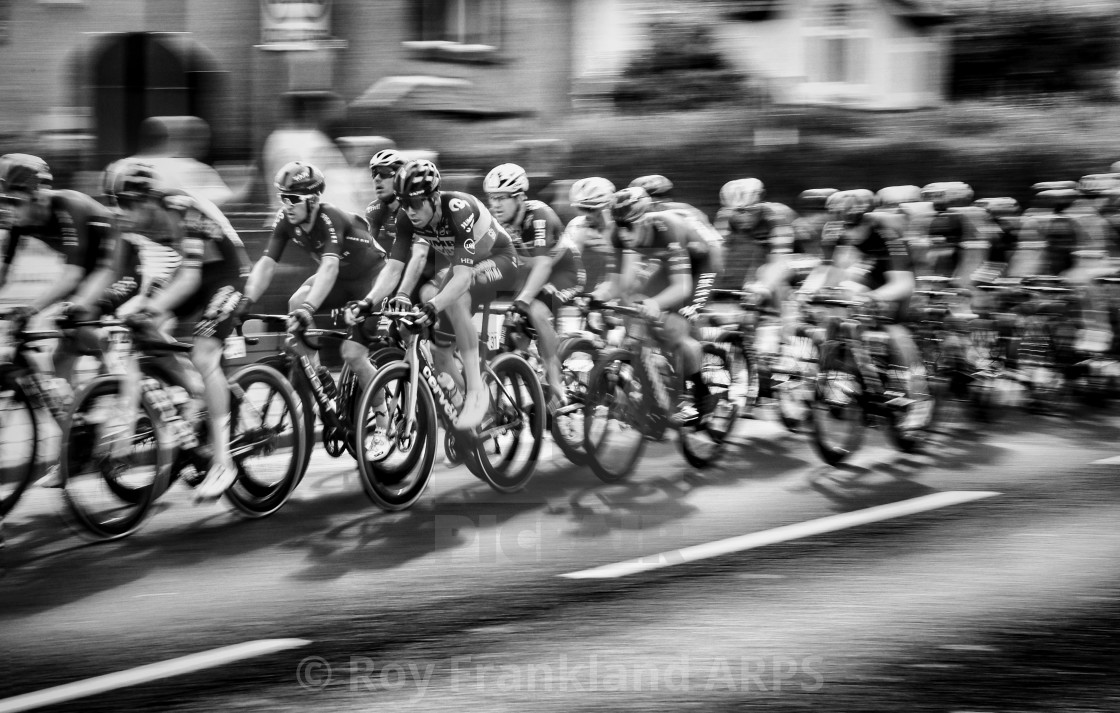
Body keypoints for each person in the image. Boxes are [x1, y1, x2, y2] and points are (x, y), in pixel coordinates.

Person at [105, 159, 252, 501]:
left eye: (128, 204)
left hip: (226, 276)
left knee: (204, 352)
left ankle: (223, 462)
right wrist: (130, 310)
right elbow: (140, 280)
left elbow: (189, 278)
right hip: (189, 276)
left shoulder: (180, 207)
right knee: (141, 333)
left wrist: (148, 307)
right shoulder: (133, 225)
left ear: (149, 199)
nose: (122, 212)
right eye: (117, 204)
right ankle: (196, 394)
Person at [383, 159, 522, 432]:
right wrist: (373, 300)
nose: (409, 210)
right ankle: (471, 421)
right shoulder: (406, 217)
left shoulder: (458, 209)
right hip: (468, 268)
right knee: (439, 351)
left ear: (434, 198)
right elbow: (393, 269)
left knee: (455, 295)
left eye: (415, 202)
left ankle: (476, 391)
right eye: (403, 202)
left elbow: (462, 277)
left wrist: (433, 306)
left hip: (502, 261)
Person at [239, 161, 385, 396]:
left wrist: (309, 309)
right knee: (295, 303)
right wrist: (246, 301)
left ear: (314, 199)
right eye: (283, 198)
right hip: (340, 280)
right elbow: (266, 264)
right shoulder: (285, 220)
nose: (287, 205)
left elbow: (329, 267)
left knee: (354, 355)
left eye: (294, 199)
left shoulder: (330, 218)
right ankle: (318, 376)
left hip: (370, 280)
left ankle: (381, 418)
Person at [593, 186, 715, 425]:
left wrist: (654, 303)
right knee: (637, 310)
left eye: (628, 226)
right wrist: (597, 296)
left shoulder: (666, 229)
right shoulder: (619, 234)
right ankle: (654, 382)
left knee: (673, 329)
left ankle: (701, 393)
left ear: (644, 221)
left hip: (699, 263)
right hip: (663, 262)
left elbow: (681, 287)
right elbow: (619, 284)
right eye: (619, 226)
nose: (623, 233)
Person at [0, 154, 120, 384]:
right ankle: (77, 414)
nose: (8, 209)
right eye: (4, 202)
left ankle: (118, 366)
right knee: (62, 359)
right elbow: (3, 273)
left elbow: (72, 275)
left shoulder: (67, 205)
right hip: (87, 266)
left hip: (115, 261)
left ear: (38, 197)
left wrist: (31, 310)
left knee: (77, 316)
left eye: (15, 202)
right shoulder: (18, 223)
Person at [484, 162, 582, 407]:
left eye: (502, 198)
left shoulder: (538, 216)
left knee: (535, 309)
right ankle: (518, 376)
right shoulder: (495, 220)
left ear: (520, 197)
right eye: (492, 197)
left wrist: (523, 300)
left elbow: (542, 266)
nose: (495, 204)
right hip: (528, 272)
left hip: (563, 272)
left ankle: (555, 377)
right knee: (504, 331)